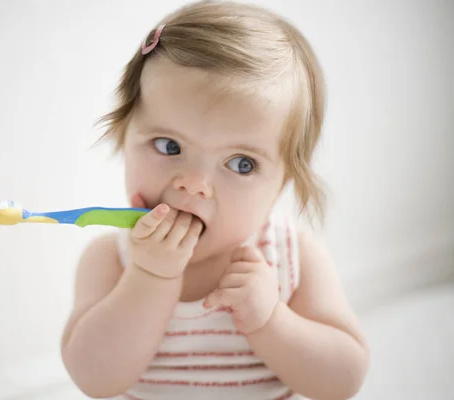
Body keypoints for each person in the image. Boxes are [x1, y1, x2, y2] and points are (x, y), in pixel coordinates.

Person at [61, 1, 369, 399]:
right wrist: (150, 277)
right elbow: (94, 379)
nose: (194, 185)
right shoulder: (111, 259)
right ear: (124, 137)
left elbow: (342, 381)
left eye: (241, 164)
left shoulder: (291, 256)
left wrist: (271, 320)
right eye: (169, 145)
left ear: (283, 182)